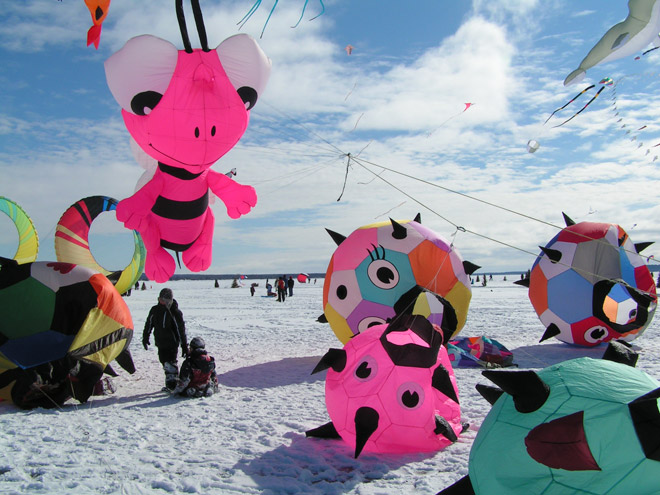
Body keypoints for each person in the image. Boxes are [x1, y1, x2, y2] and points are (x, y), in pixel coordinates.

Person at [143, 288, 188, 391]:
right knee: (164, 362)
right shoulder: (155, 310)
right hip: (160, 342)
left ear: (169, 300)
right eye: (160, 299)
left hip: (172, 343)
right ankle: (170, 383)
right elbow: (149, 324)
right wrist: (146, 337)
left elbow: (180, 329)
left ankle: (173, 384)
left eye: (163, 300)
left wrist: (184, 345)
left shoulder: (175, 312)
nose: (161, 301)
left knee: (171, 364)